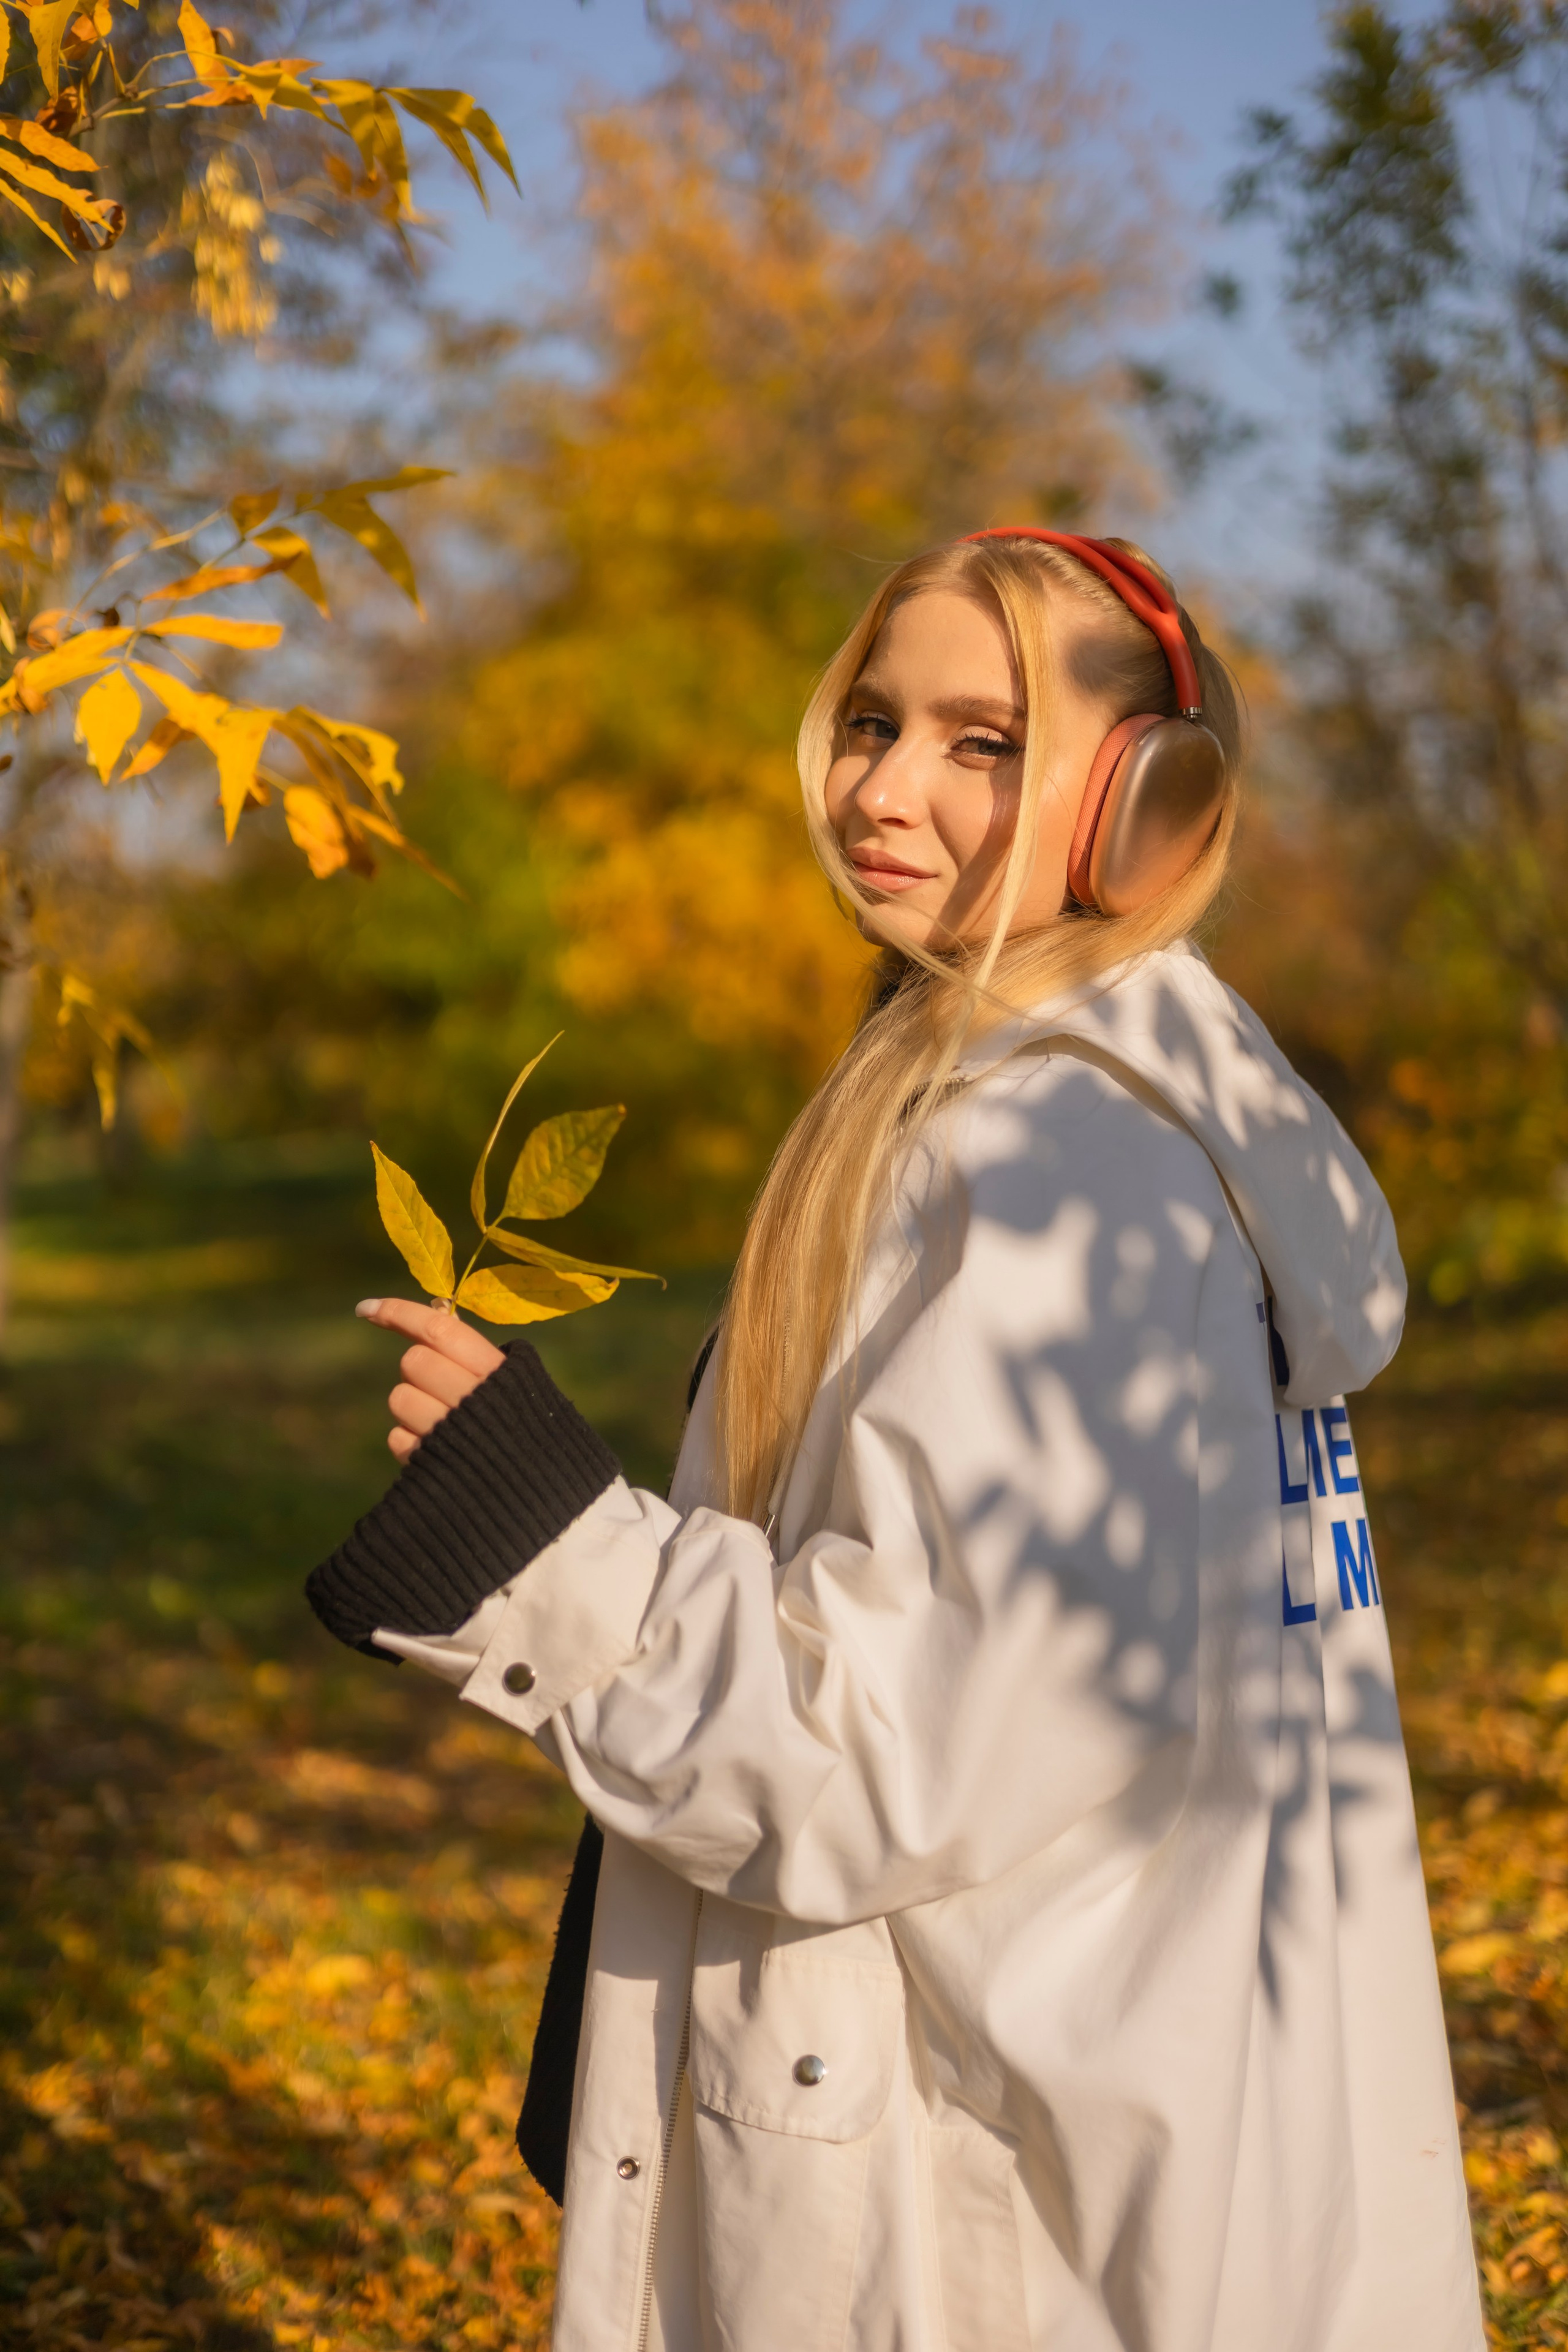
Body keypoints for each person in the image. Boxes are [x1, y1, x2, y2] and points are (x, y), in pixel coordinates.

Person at [306, 530, 1483, 2351]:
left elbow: (889, 1752)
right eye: (871, 722)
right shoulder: (1106, 1117)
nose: (883, 787)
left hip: (985, 2184)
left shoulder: (1048, 1180)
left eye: (982, 742)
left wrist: (544, 1530)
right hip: (1119, 2092)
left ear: (1147, 804)